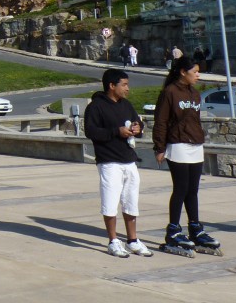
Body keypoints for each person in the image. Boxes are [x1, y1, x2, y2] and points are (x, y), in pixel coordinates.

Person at [152, 56, 221, 255]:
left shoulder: (195, 93)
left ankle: (195, 228)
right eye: (195, 72)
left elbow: (195, 120)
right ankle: (173, 230)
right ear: (183, 72)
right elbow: (161, 121)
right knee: (181, 189)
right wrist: (159, 147)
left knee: (193, 190)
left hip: (195, 144)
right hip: (178, 145)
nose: (198, 75)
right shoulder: (170, 92)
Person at [83, 68, 152, 258]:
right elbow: (91, 132)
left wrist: (138, 127)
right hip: (109, 161)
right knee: (110, 201)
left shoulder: (126, 104)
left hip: (129, 159)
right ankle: (113, 240)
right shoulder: (96, 107)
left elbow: (138, 122)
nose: (128, 88)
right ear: (112, 86)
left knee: (131, 201)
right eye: (124, 84)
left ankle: (132, 240)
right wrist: (116, 131)